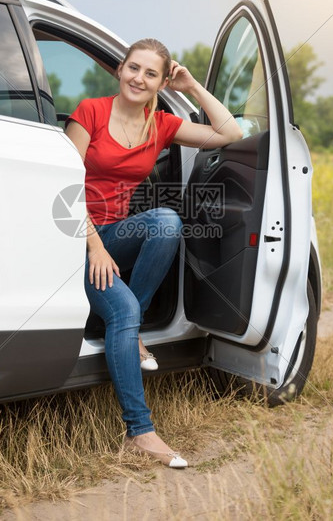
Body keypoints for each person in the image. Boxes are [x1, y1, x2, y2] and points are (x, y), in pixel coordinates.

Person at [66, 38, 242, 469]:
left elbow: (230, 133)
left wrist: (192, 87)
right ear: (119, 70)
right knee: (122, 312)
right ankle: (141, 432)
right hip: (73, 236)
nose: (138, 78)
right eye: (132, 68)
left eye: (150, 73)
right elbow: (64, 187)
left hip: (115, 235)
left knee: (166, 220)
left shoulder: (160, 123)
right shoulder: (90, 112)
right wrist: (93, 248)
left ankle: (134, 330)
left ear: (163, 82)